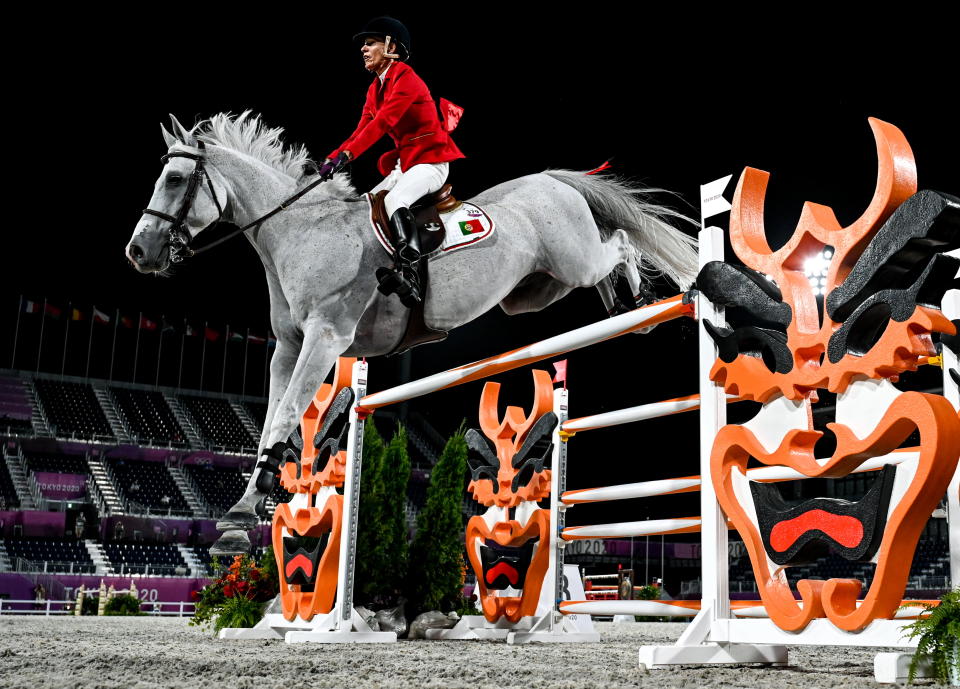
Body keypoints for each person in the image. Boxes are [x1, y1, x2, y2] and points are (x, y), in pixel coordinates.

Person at [318, 16, 465, 307]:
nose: (363, 48)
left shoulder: (406, 77)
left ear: (390, 46)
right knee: (366, 203)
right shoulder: (374, 90)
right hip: (407, 164)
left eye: (370, 43)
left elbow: (384, 123)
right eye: (363, 44)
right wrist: (331, 158)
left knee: (395, 200)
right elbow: (361, 130)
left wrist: (348, 156)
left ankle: (409, 273)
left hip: (431, 161)